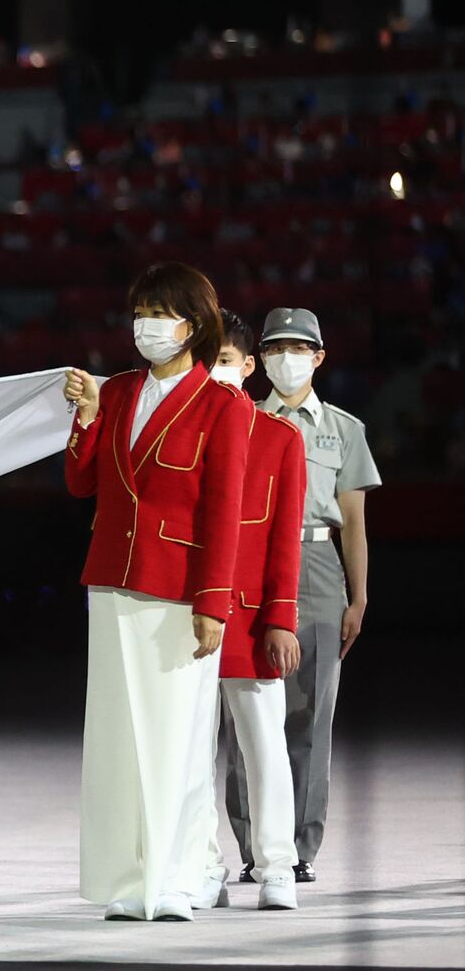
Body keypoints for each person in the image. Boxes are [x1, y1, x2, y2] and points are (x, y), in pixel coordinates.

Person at [62, 261, 250, 922]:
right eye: (140, 311)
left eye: (160, 312)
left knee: (176, 738)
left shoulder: (224, 404)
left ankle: (179, 877)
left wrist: (214, 601)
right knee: (118, 738)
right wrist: (84, 420)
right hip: (113, 581)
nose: (146, 324)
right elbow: (83, 485)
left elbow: (224, 509)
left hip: (179, 589)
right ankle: (126, 877)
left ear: (193, 324)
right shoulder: (114, 392)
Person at [225, 306, 381, 884]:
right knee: (249, 706)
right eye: (273, 349)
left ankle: (299, 848)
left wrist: (358, 596)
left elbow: (355, 522)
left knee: (313, 712)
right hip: (253, 560)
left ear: (318, 356)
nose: (284, 359)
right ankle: (252, 844)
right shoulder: (238, 419)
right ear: (259, 359)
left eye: (297, 348)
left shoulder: (344, 429)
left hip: (317, 563)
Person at [180, 310, 305, 912]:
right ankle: (207, 865)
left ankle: (277, 863)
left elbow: (283, 537)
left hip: (252, 620)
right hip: (189, 619)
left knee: (265, 749)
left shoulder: (280, 439)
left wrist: (282, 617)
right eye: (208, 362)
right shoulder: (183, 431)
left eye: (226, 361)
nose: (216, 373)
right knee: (194, 753)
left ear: (249, 367)